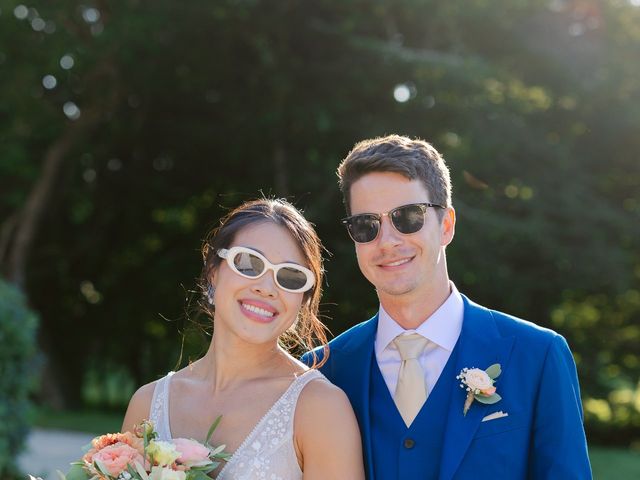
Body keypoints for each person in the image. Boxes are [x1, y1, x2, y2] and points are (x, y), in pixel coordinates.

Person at [306, 135, 592, 479]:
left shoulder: (539, 355)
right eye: (366, 225)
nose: (388, 241)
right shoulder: (322, 372)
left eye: (407, 217)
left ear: (446, 225)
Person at [122, 198, 364, 479]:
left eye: (290, 277)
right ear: (213, 272)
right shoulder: (147, 404)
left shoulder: (321, 410)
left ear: (302, 300)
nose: (266, 287)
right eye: (249, 263)